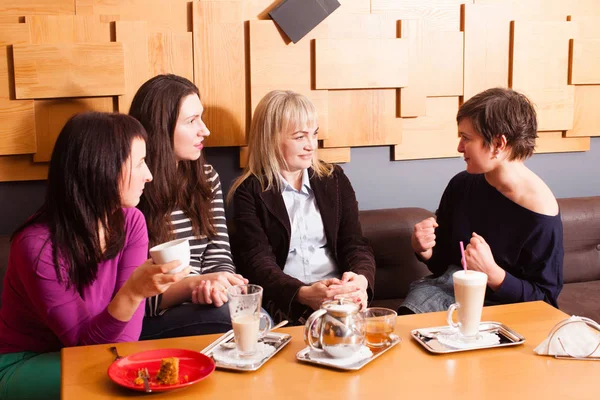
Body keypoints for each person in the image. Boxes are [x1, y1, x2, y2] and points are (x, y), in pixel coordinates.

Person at [0, 112, 189, 399]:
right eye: (139, 163)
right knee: (120, 384)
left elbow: (126, 341)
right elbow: (83, 347)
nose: (149, 175)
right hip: (25, 362)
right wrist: (133, 293)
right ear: (102, 169)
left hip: (97, 356)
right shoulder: (35, 246)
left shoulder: (132, 223)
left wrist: (134, 294)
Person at [399, 87, 564, 315]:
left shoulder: (541, 213)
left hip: (506, 313)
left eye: (466, 138)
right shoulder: (462, 184)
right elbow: (443, 265)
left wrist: (494, 274)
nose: (459, 147)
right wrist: (424, 249)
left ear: (498, 144)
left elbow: (545, 301)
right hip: (450, 295)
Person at [228, 90, 376, 324]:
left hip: (338, 296)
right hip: (287, 301)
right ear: (270, 139)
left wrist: (361, 281)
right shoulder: (249, 191)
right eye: (299, 137)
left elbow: (355, 243)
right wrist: (303, 294)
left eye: (313, 134)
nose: (311, 146)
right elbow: (258, 262)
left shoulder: (334, 179)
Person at [129, 74, 248, 339]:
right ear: (161, 128)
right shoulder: (132, 187)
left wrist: (219, 285)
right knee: (233, 321)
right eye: (192, 121)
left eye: (201, 118)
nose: (204, 130)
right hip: (152, 315)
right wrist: (191, 286)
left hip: (202, 304)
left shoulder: (206, 177)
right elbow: (131, 295)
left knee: (251, 314)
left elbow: (219, 255)